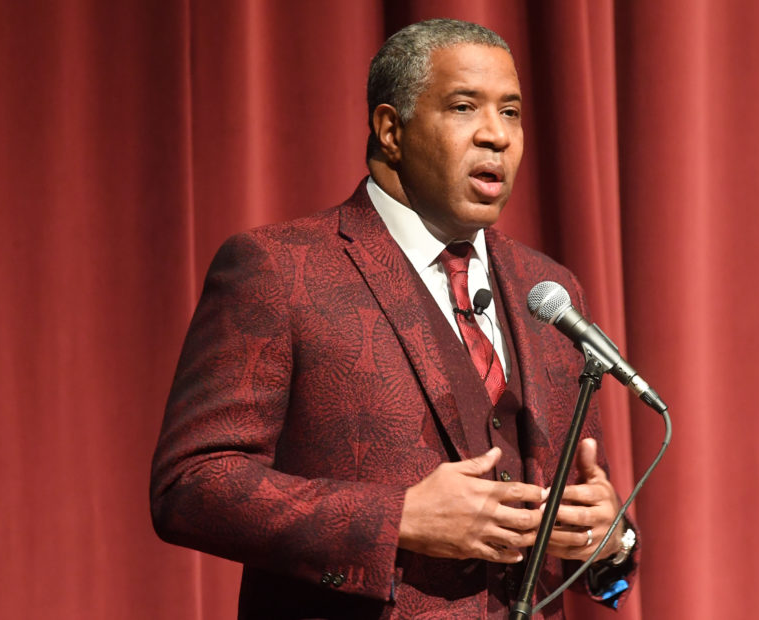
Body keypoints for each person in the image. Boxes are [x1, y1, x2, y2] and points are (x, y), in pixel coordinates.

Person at [150, 18, 637, 619]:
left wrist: (611, 539)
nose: (496, 136)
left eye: (510, 112)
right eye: (465, 107)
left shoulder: (550, 290)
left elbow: (595, 517)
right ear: (390, 129)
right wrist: (397, 518)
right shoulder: (279, 268)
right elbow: (192, 486)